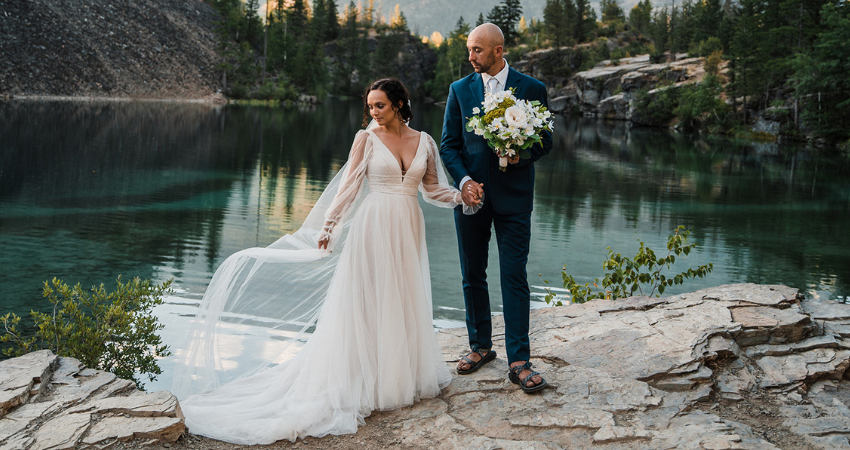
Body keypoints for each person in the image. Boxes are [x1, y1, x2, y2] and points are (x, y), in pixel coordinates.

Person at [172, 78, 476, 444]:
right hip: (372, 226)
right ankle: (358, 376)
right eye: (370, 106)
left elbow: (431, 189)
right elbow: (349, 187)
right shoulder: (366, 138)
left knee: (403, 297)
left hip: (408, 227)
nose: (373, 112)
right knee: (366, 301)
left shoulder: (424, 141)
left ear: (398, 104)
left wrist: (461, 195)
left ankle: (395, 377)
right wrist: (329, 226)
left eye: (379, 105)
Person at [439, 23, 553, 393]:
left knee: (514, 276)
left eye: (477, 50)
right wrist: (464, 183)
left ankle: (519, 359)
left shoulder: (532, 89)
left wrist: (520, 155)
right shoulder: (459, 90)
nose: (470, 57)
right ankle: (481, 346)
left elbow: (546, 142)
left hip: (515, 199)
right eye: (469, 50)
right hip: (471, 199)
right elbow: (449, 146)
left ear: (498, 50)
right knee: (473, 274)